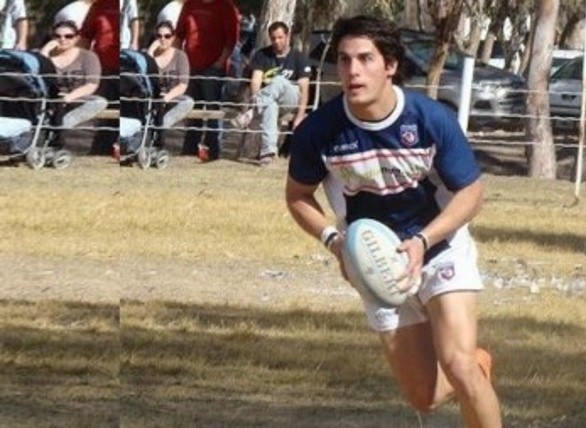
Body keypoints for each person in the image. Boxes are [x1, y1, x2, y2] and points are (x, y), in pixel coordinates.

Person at [284, 15, 502, 428]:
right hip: (377, 262)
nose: (353, 70)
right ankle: (478, 364)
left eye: (365, 58)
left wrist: (423, 241)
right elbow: (297, 196)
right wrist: (335, 243)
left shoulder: (429, 119)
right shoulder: (319, 131)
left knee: (457, 366)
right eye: (345, 60)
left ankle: (468, 369)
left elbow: (471, 194)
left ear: (390, 65)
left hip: (439, 249)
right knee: (424, 396)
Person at [233, 21, 310, 165]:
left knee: (278, 80)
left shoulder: (299, 57)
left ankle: (251, 113)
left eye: (280, 37)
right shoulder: (262, 55)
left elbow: (304, 89)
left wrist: (299, 116)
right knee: (271, 106)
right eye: (273, 38)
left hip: (291, 98)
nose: (277, 41)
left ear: (287, 36)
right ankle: (268, 153)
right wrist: (255, 97)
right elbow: (256, 80)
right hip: (269, 99)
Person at [174, 0, 239, 162]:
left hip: (213, 68)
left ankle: (213, 150)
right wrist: (178, 61)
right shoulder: (190, 4)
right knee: (191, 108)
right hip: (190, 67)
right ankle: (190, 149)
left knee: (212, 110)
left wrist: (219, 63)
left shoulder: (225, 6)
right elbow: (179, 35)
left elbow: (231, 40)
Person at [43, 21, 107, 134]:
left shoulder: (88, 56)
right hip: (49, 98)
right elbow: (34, 75)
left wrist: (67, 98)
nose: (62, 39)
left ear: (76, 38)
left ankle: (57, 128)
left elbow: (91, 85)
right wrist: (44, 51)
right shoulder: (45, 56)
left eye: (68, 36)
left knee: (99, 102)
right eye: (57, 36)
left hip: (76, 97)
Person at [79, 0, 119, 155]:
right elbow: (85, 38)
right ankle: (101, 148)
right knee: (104, 110)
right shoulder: (99, 6)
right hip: (103, 69)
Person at [149, 21, 193, 132]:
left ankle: (158, 127)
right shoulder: (150, 56)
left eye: (167, 36)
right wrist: (150, 52)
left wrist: (166, 98)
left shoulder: (180, 56)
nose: (163, 39)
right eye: (159, 36)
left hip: (172, 97)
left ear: (172, 38)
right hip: (152, 96)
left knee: (188, 102)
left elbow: (183, 85)